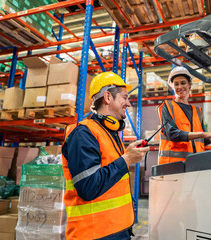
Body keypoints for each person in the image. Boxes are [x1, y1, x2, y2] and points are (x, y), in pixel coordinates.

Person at [62, 72, 149, 240]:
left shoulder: (110, 133)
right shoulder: (83, 133)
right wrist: (126, 160)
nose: (128, 104)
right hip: (94, 234)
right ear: (108, 97)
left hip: (116, 231)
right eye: (124, 98)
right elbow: (88, 188)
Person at [157, 66, 211, 165]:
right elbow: (172, 134)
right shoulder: (167, 106)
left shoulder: (197, 111)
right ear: (172, 87)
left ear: (190, 84)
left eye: (183, 83)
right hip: (173, 165)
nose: (180, 87)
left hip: (195, 164)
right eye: (176, 84)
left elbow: (199, 141)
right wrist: (206, 134)